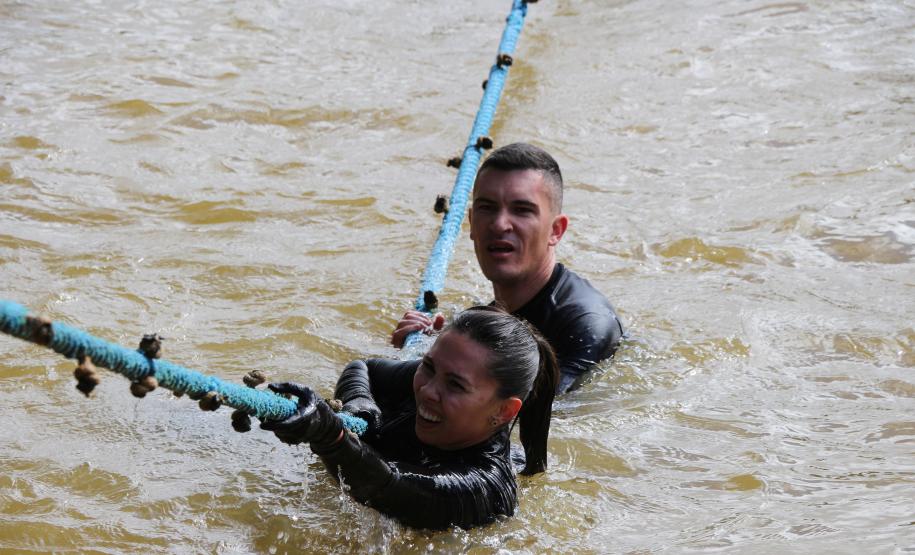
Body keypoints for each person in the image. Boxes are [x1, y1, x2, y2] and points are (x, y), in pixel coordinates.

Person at [261, 306, 559, 530]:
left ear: (504, 411)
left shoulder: (487, 487)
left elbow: (389, 488)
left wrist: (330, 435)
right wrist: (360, 408)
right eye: (428, 366)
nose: (427, 391)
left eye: (455, 385)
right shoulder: (430, 379)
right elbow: (363, 368)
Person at [392, 142, 624, 394]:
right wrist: (426, 353)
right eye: (487, 208)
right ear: (471, 222)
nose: (500, 224)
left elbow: (540, 418)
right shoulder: (486, 318)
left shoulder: (586, 328)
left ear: (555, 231)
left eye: (522, 210)